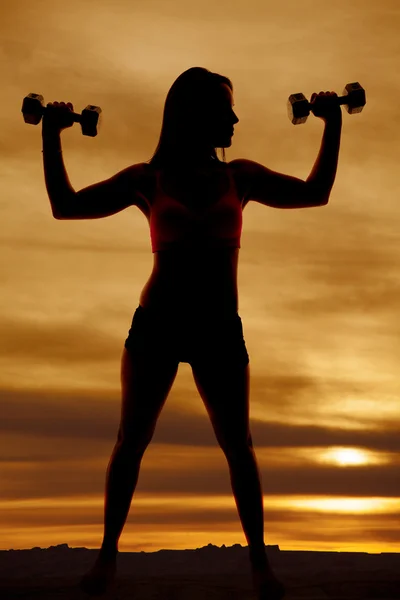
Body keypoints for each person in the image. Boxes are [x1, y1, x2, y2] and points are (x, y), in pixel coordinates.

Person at [41, 66, 342, 599]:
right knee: (130, 442)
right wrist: (50, 134)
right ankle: (106, 561)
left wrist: (332, 121)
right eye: (225, 109)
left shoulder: (240, 178)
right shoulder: (147, 180)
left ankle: (259, 569)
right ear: (195, 115)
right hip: (157, 324)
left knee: (239, 446)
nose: (234, 118)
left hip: (218, 329)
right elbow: (66, 207)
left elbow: (315, 193)